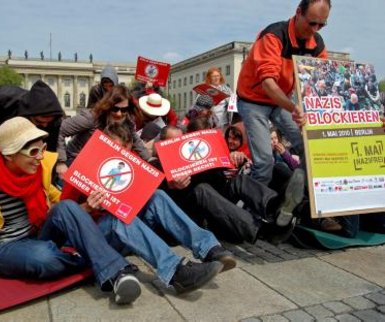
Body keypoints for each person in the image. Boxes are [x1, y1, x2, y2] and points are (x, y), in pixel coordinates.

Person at [0, 117, 142, 305]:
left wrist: (86, 206)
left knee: (66, 207)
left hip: (38, 234)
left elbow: (61, 204)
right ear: (10, 154)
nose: (41, 157)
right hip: (7, 247)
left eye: (42, 149)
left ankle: (113, 270)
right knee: (44, 257)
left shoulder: (35, 170)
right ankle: (102, 258)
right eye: (33, 151)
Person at [61, 122, 236, 294]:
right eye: (114, 150)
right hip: (96, 238)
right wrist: (86, 208)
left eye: (125, 153)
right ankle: (176, 273)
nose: (119, 157)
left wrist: (173, 185)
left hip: (128, 234)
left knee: (156, 196)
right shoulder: (83, 167)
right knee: (118, 218)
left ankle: (208, 248)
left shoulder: (130, 165)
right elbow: (64, 217)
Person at [153, 125, 305, 244]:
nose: (176, 145)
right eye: (171, 143)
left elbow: (219, 182)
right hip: (190, 216)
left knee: (237, 181)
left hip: (216, 209)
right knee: (201, 190)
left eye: (180, 141)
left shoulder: (191, 156)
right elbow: (156, 200)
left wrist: (229, 160)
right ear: (161, 144)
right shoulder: (156, 166)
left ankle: (274, 205)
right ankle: (264, 231)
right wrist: (172, 185)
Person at [236, 0, 330, 185]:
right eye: (312, 22)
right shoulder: (273, 35)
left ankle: (300, 192)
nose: (315, 29)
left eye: (322, 24)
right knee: (264, 162)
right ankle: (251, 209)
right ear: (298, 12)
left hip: (282, 101)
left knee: (310, 148)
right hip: (253, 100)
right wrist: (295, 108)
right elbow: (268, 84)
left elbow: (321, 80)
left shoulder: (317, 44)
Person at [56, 85, 149, 179]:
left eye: (124, 110)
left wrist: (150, 160)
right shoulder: (91, 118)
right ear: (108, 106)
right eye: (115, 109)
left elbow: (137, 142)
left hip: (100, 165)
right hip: (75, 162)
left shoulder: (127, 121)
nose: (119, 114)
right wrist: (61, 162)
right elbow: (59, 129)